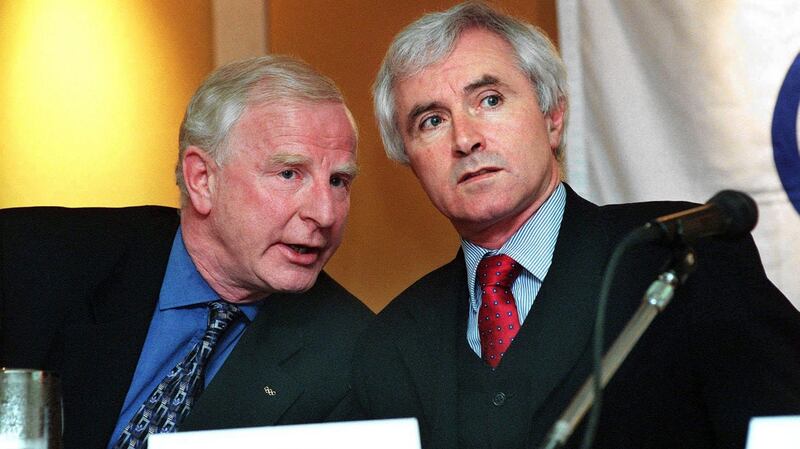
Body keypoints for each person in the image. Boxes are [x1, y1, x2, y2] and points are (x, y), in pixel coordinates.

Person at [352, 2, 800, 449]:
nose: (465, 139)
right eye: (432, 121)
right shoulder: (392, 344)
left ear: (553, 117)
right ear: (409, 160)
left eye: (489, 100)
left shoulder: (683, 255)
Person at [0, 55, 373, 449]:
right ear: (202, 179)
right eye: (288, 174)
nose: (325, 213)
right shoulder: (30, 257)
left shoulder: (355, 354)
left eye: (339, 181)